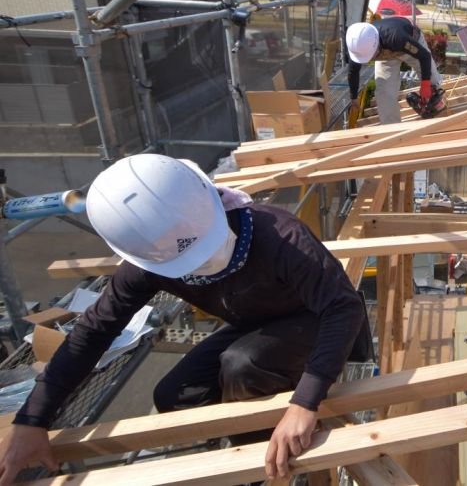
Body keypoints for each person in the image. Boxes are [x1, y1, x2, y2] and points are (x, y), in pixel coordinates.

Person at [0, 154, 370, 484]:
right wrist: (33, 419)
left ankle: (264, 464)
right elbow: (92, 334)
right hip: (253, 325)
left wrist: (304, 403)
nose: (200, 266)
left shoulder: (280, 236)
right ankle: (248, 443)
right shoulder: (148, 262)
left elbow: (343, 307)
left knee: (242, 364)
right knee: (175, 395)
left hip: (316, 320)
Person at [346, 17, 444, 125]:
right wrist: (353, 97)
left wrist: (425, 84)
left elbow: (424, 56)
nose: (369, 59)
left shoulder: (397, 37)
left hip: (411, 44)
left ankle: (440, 112)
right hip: (386, 57)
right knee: (384, 93)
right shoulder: (358, 48)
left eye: (370, 56)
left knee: (432, 81)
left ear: (376, 45)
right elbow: (353, 72)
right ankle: (392, 128)